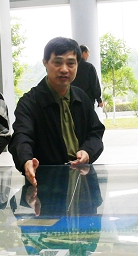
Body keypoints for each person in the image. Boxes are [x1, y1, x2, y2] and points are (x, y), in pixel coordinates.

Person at [9, 37, 105, 186]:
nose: (64, 69)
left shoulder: (82, 97)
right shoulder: (30, 102)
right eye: (58, 62)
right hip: (48, 184)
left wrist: (87, 151)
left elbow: (95, 132)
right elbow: (22, 136)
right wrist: (26, 160)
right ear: (45, 62)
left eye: (71, 63)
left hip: (82, 181)